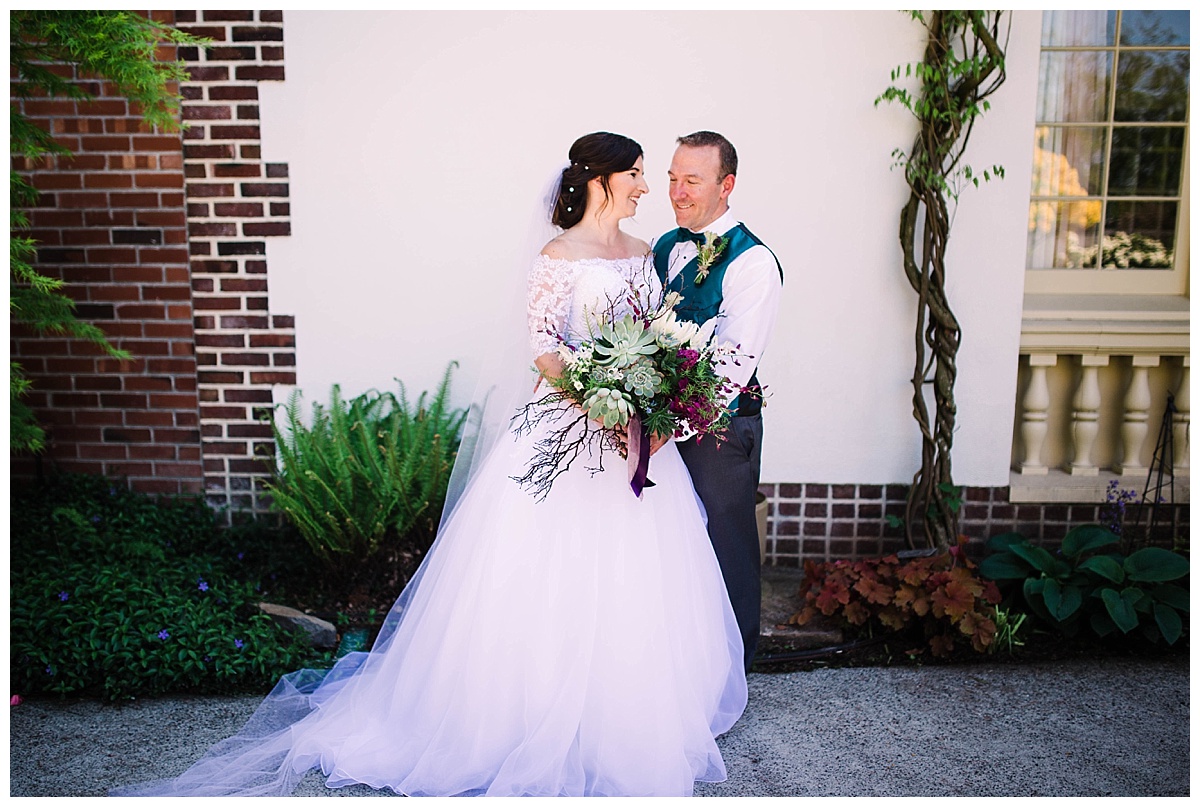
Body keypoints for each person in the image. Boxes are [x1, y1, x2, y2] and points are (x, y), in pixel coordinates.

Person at [111, 132, 747, 798]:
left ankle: (627, 713)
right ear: (601, 180)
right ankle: (527, 717)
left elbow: (650, 335)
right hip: (567, 428)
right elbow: (544, 349)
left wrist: (643, 395)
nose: (648, 187)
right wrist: (599, 397)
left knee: (639, 574)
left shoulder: (646, 255)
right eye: (638, 174)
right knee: (539, 578)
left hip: (630, 442)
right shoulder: (557, 256)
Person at [652, 131, 783, 673]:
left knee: (724, 546)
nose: (678, 192)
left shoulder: (754, 263)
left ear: (726, 185)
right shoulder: (663, 247)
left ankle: (733, 670)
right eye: (672, 179)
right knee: (668, 544)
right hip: (656, 423)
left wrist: (670, 427)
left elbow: (732, 364)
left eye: (692, 181)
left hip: (719, 431)